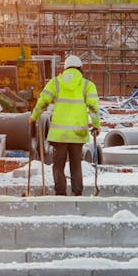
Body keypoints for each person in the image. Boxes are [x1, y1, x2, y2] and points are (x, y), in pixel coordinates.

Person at [29, 55, 101, 196]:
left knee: (59, 164)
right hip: (77, 134)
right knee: (76, 164)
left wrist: (33, 117)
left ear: (65, 68)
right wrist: (97, 125)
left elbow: (43, 101)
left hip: (59, 135)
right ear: (80, 68)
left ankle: (60, 192)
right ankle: (77, 192)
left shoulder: (56, 83)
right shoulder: (87, 85)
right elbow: (93, 107)